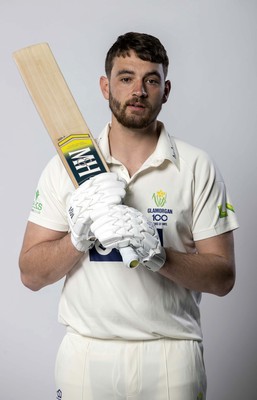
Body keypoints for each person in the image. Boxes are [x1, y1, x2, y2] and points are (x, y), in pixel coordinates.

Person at [19, 32, 239, 400]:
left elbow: (223, 278)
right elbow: (30, 274)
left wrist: (159, 255)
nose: (138, 90)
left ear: (165, 90)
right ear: (106, 86)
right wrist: (77, 238)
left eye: (150, 80)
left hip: (171, 353)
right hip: (87, 352)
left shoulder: (197, 166)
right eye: (125, 78)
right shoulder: (66, 167)